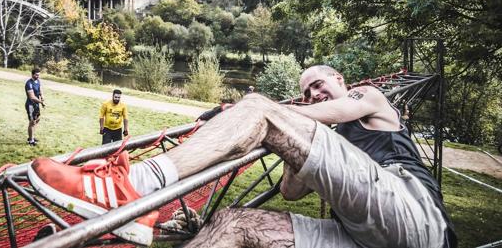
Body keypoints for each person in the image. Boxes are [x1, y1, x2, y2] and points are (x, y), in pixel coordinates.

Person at [28, 65, 456, 247]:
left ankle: (131, 188)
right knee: (233, 222)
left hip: (413, 218)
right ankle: (131, 211)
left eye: (318, 85)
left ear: (340, 80)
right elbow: (290, 192)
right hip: (361, 235)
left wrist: (268, 114)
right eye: (306, 92)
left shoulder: (367, 98)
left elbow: (338, 109)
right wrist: (294, 143)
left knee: (256, 106)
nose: (313, 95)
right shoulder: (326, 133)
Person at [25, 68, 44, 146]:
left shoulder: (38, 81)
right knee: (32, 122)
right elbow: (32, 97)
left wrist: (42, 96)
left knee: (37, 119)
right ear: (32, 74)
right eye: (36, 75)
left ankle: (32, 136)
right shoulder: (29, 83)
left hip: (36, 104)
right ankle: (31, 140)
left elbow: (40, 90)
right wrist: (41, 102)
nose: (38, 76)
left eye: (39, 75)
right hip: (30, 105)